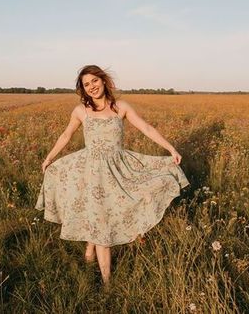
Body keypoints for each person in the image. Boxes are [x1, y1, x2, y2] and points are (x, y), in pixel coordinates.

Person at [35, 65, 190, 285]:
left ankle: (92, 248)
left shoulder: (121, 107)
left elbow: (146, 128)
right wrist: (49, 158)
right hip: (90, 171)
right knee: (100, 218)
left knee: (119, 206)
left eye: (94, 81)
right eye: (86, 85)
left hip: (118, 168)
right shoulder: (81, 110)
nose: (91, 87)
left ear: (103, 80)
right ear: (83, 89)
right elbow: (66, 135)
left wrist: (171, 148)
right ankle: (108, 284)